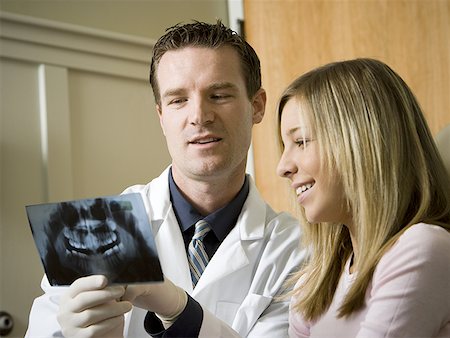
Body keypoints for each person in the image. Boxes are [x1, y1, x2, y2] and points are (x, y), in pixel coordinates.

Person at [25, 20, 304, 337]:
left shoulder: (295, 248)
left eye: (219, 94)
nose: (199, 116)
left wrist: (180, 311)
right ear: (161, 116)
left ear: (256, 106)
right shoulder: (94, 230)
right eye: (178, 100)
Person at [276, 58, 450, 337]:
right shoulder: (312, 285)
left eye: (301, 142)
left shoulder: (422, 249)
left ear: (362, 143)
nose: (283, 167)